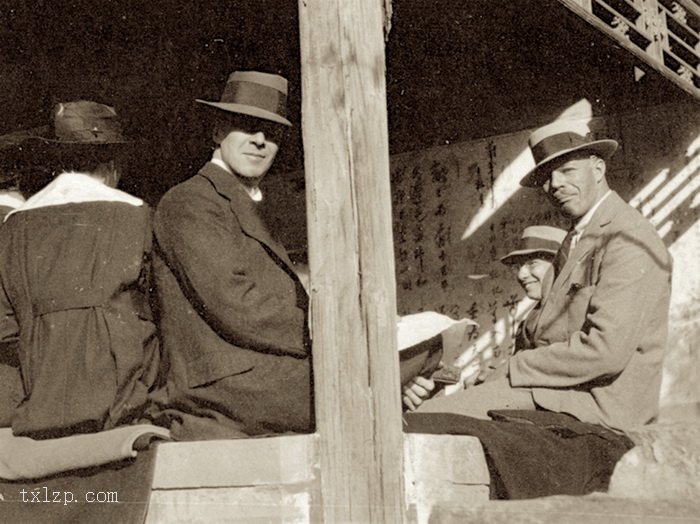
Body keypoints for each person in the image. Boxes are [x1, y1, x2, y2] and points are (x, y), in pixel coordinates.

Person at [152, 71, 442, 439]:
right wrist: (335, 331)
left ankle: (397, 385)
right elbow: (236, 304)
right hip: (226, 388)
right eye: (247, 127)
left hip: (263, 373)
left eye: (271, 133)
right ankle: (394, 384)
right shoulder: (190, 201)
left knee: (423, 349)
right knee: (413, 351)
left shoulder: (250, 206)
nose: (260, 141)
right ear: (218, 132)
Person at [405, 120, 672, 432]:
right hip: (557, 394)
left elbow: (605, 352)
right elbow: (543, 334)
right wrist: (493, 372)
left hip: (598, 406)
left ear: (598, 169)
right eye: (546, 177)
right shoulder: (577, 239)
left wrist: (512, 369)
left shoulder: (628, 238)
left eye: (567, 170)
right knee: (421, 414)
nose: (555, 184)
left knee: (424, 423)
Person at [0, 100, 160, 438]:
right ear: (114, 163)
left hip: (40, 403)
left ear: (59, 161)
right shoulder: (137, 215)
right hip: (122, 401)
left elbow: (6, 327)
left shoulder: (15, 225)